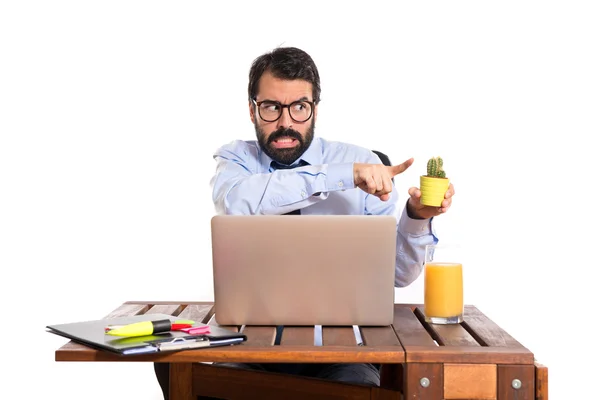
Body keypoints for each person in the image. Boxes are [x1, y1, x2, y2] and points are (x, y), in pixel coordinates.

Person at [154, 46, 454, 399]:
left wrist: (416, 218)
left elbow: (398, 275)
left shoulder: (364, 161)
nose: (285, 123)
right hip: (248, 348)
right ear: (252, 110)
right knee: (181, 372)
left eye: (299, 107)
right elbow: (240, 201)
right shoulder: (236, 160)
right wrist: (339, 177)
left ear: (314, 109)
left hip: (344, 353)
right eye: (271, 107)